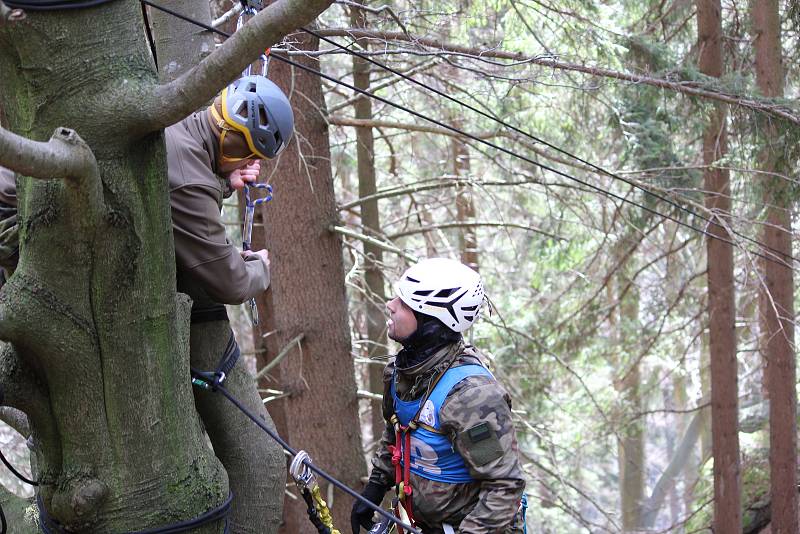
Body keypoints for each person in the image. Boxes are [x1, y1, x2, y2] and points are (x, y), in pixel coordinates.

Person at [0, 74, 294, 534]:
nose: (246, 168)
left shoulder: (181, 122)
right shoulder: (189, 177)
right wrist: (261, 268)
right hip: (19, 219)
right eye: (241, 152)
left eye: (253, 159)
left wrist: (225, 182)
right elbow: (230, 281)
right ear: (223, 129)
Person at [351, 258, 526, 534]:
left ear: (431, 321)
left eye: (405, 303)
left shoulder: (470, 398)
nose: (391, 305)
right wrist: (375, 485)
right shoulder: (402, 373)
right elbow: (397, 433)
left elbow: (503, 486)